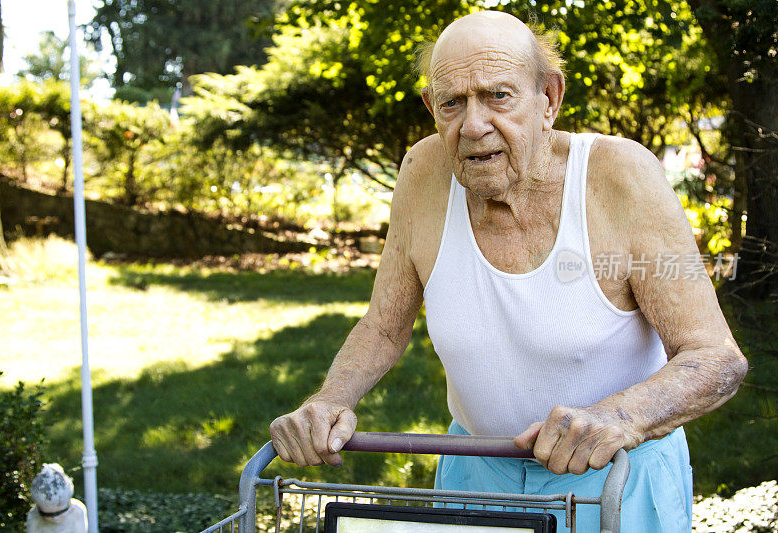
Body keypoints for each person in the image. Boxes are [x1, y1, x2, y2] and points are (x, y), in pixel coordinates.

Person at [269, 10, 748, 532]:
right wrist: (328, 401)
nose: (473, 125)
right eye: (452, 102)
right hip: (475, 473)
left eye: (499, 96)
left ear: (549, 98)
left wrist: (619, 417)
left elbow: (714, 358)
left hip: (614, 480)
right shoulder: (423, 173)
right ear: (432, 108)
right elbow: (384, 327)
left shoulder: (621, 178)